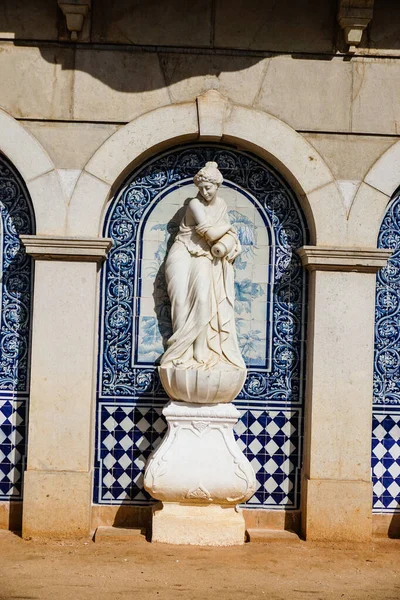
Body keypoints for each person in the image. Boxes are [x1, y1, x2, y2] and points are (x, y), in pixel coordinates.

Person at [160, 161, 245, 372]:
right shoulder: (194, 204)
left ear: (217, 186)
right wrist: (228, 227)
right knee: (179, 301)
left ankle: (200, 352)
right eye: (201, 188)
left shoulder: (222, 205)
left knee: (205, 300)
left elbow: (220, 241)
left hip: (205, 256)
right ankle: (182, 352)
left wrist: (227, 236)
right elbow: (211, 235)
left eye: (209, 187)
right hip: (182, 253)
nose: (205, 192)